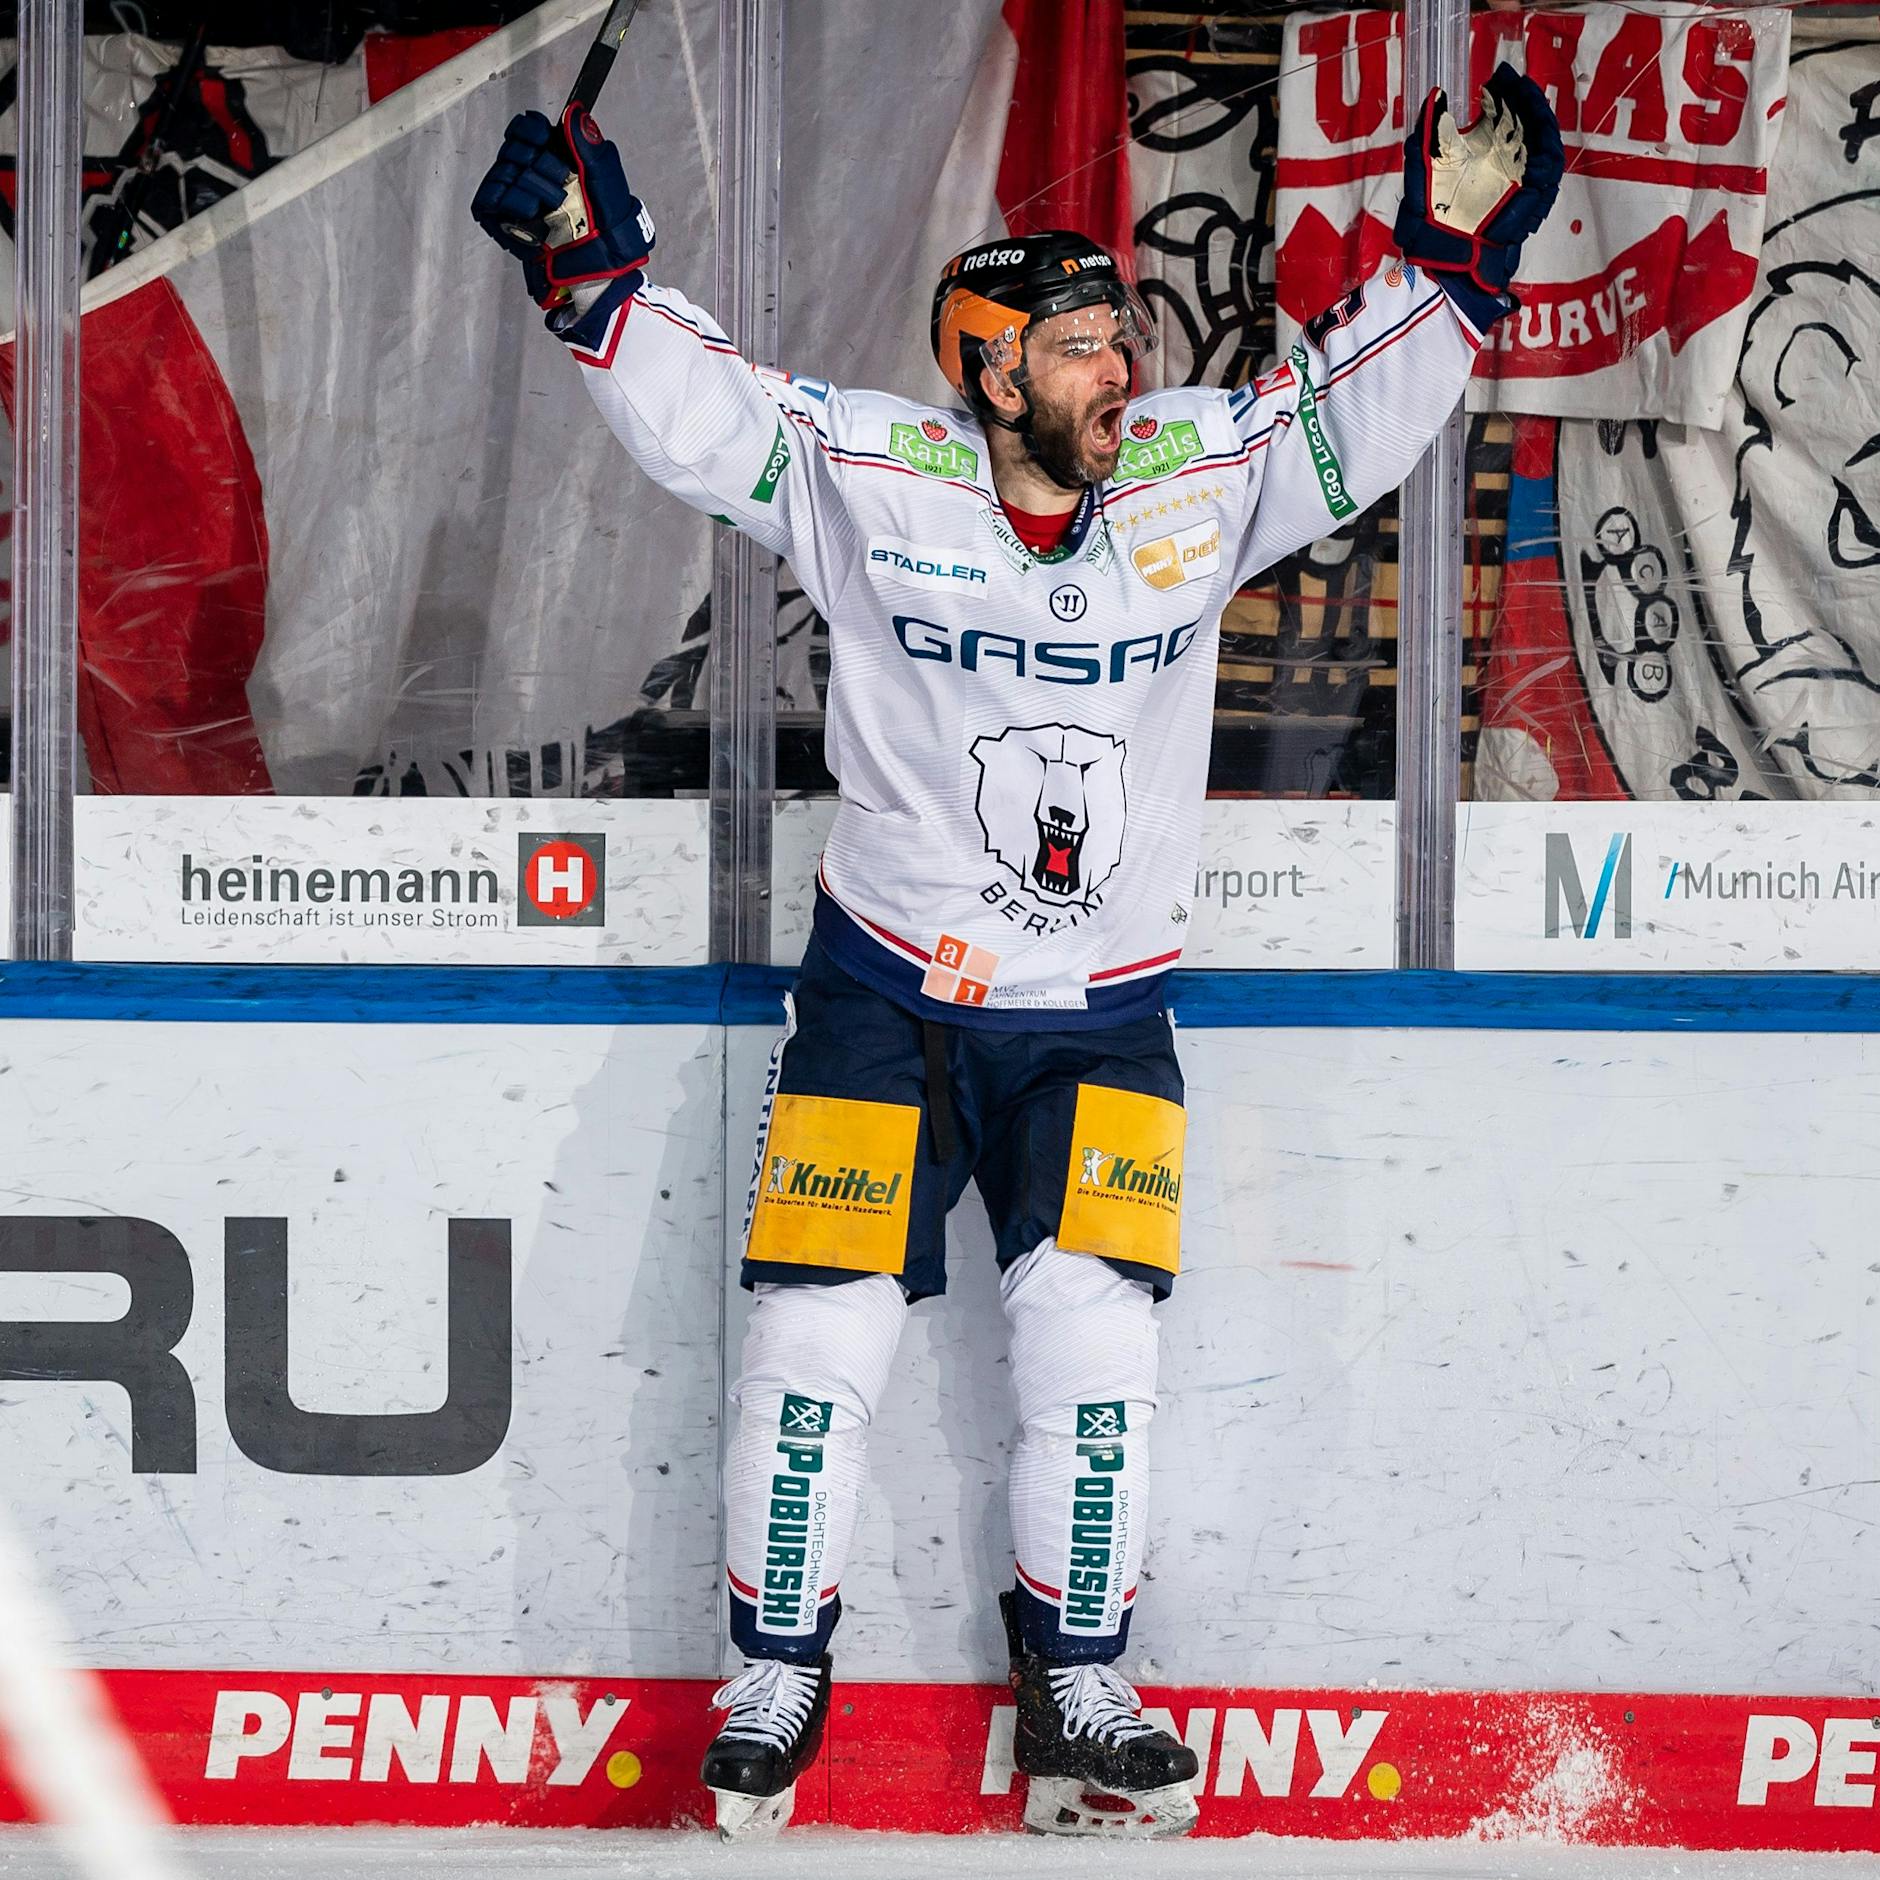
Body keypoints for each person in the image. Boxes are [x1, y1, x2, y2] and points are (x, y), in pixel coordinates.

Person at [474, 66, 1560, 1841]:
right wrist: (590, 271)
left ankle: (1084, 1678)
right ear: (984, 371)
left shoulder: (1194, 484)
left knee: (1094, 1356)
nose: (1117, 373)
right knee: (811, 1346)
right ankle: (775, 1672)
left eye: (1120, 340)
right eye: (1073, 350)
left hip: (1104, 1025)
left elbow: (1352, 417)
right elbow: (704, 412)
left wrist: (1443, 254)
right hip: (877, 1003)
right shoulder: (873, 479)